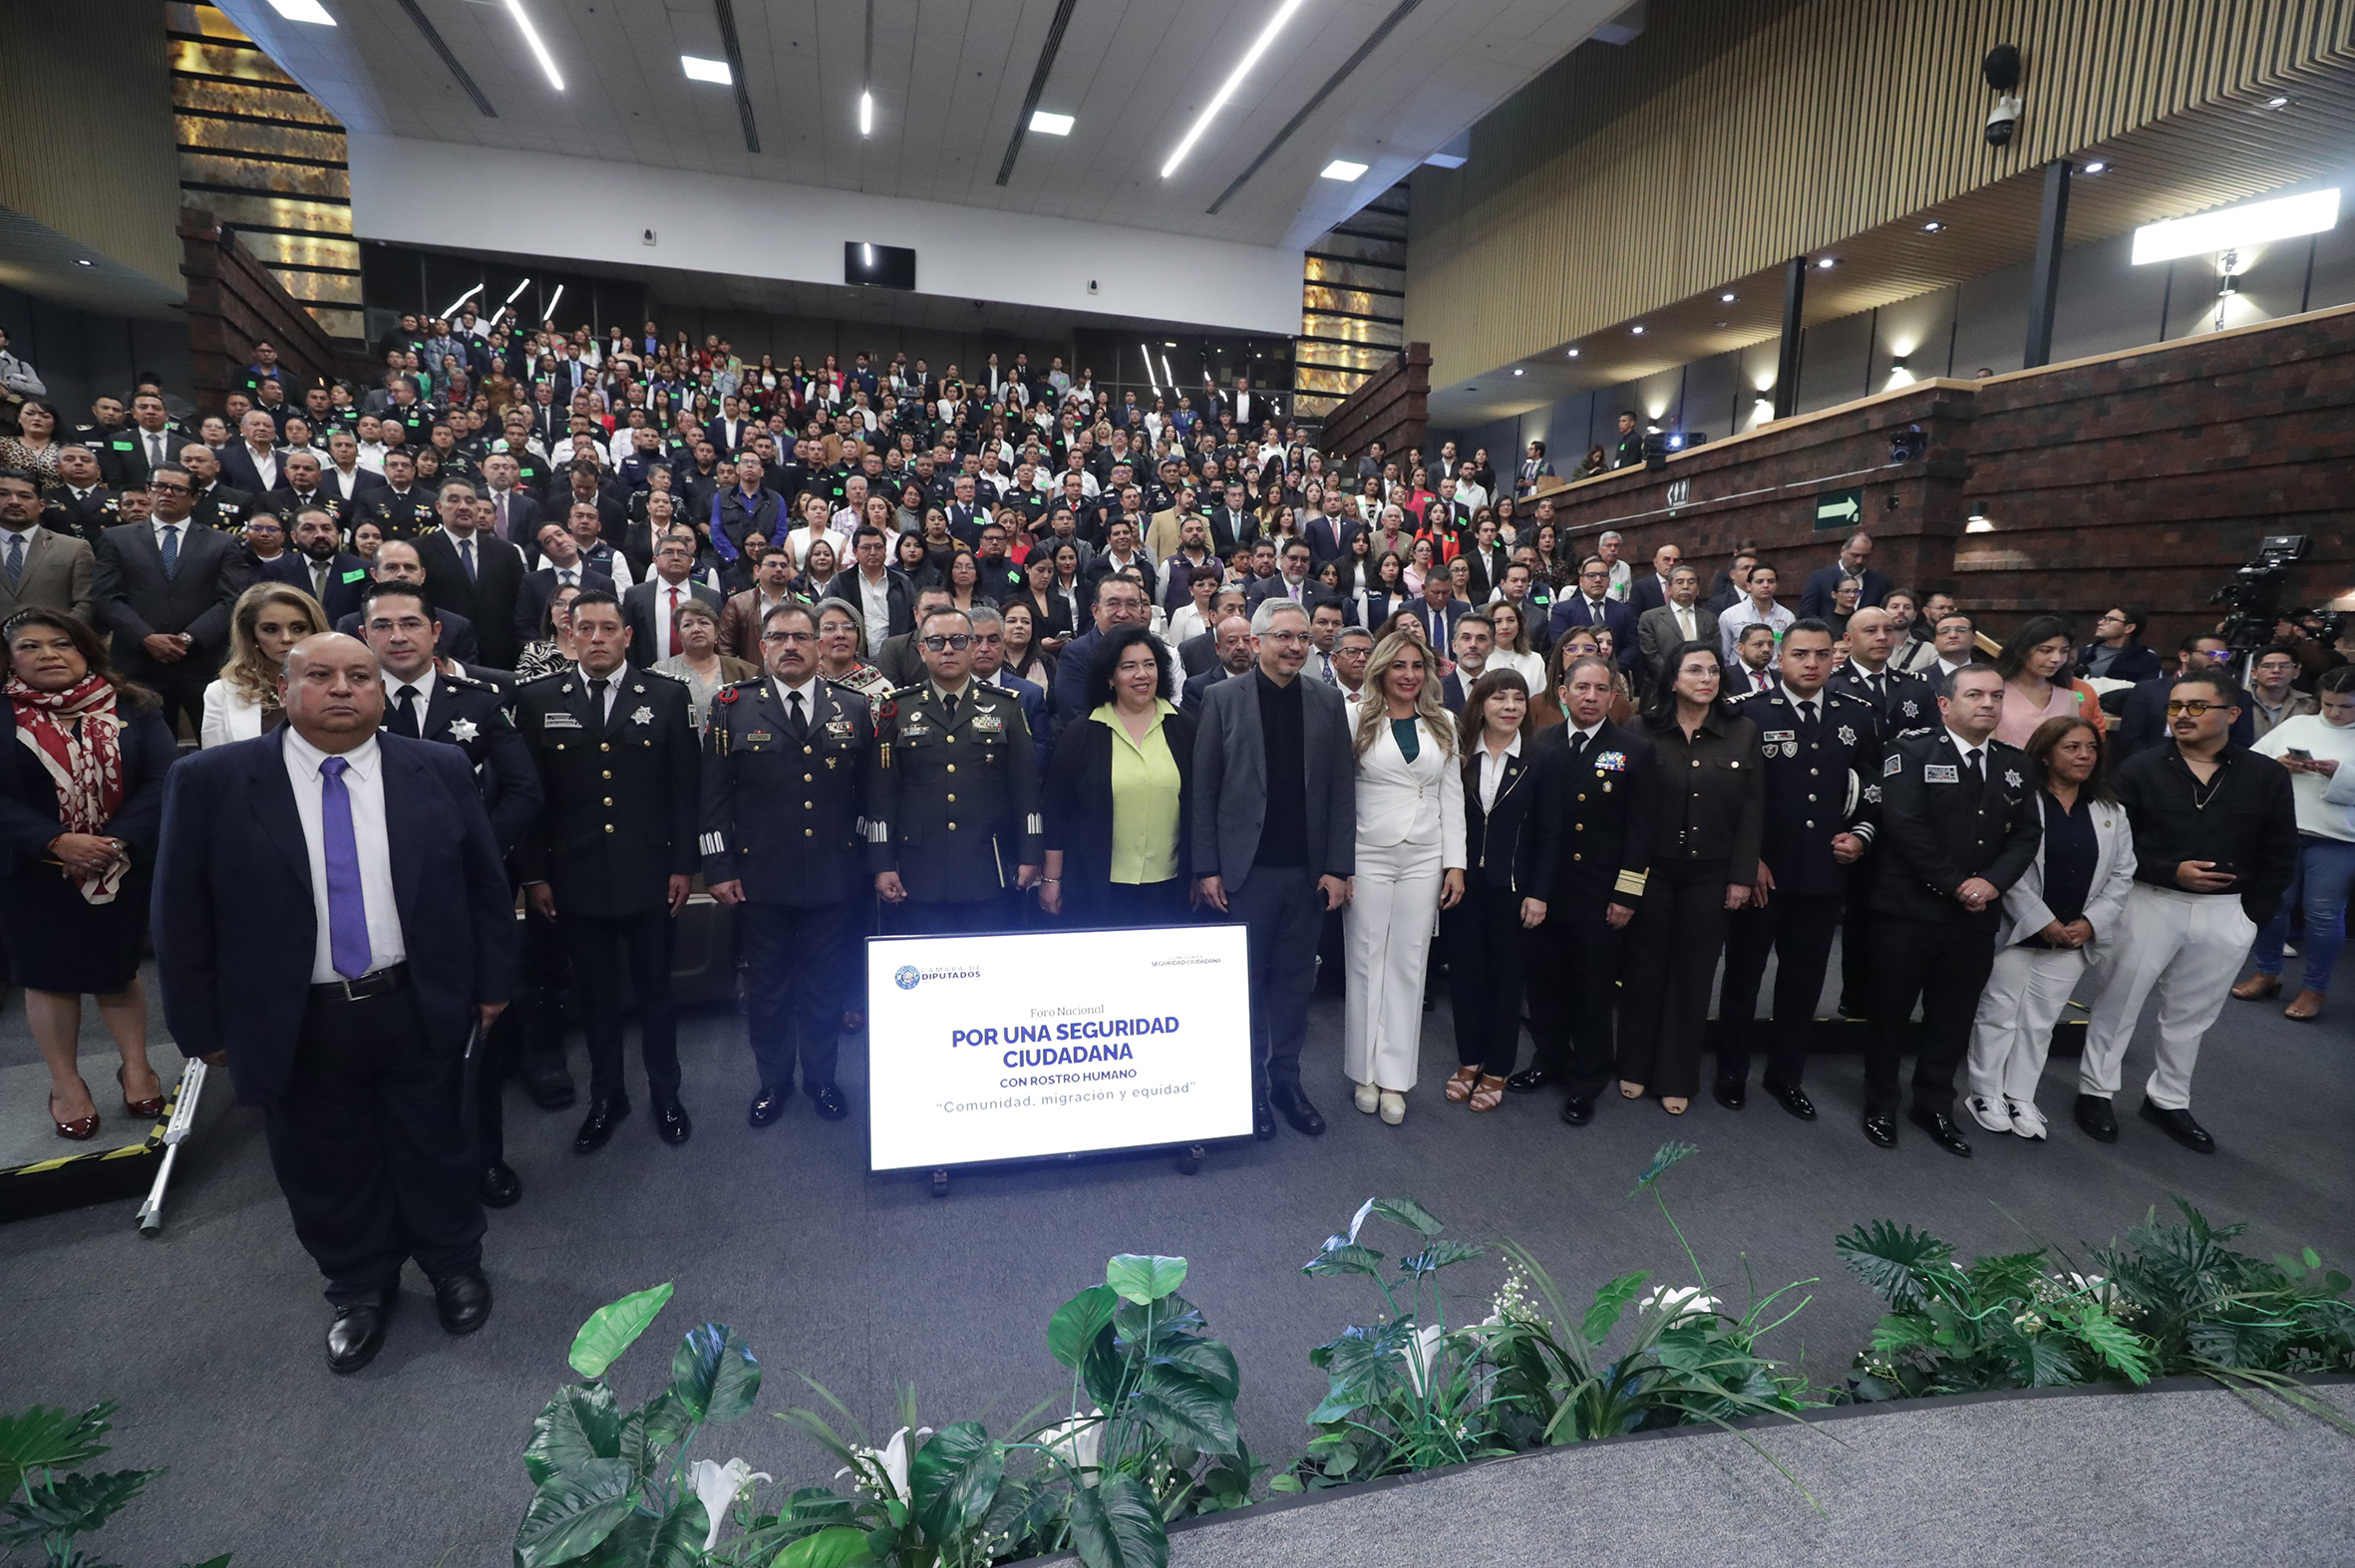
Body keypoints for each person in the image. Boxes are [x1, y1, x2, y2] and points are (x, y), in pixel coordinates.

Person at [153, 631, 514, 1374]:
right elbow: (180, 913)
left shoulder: (438, 767)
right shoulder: (212, 780)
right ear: (285, 689)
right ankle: (359, 1286)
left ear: (382, 692)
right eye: (321, 675)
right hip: (295, 1016)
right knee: (322, 1158)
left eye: (360, 676)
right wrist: (198, 1025)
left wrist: (493, 983)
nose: (343, 688)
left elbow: (484, 883)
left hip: (415, 998)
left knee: (438, 1144)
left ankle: (454, 1264)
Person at [2076, 667, 2297, 1152]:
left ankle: (2168, 1100)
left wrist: (2252, 916)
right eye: (2175, 706)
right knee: (2117, 1003)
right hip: (2148, 901)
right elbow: (2114, 845)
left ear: (2231, 714)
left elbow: (2281, 851)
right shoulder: (2140, 767)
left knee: (2192, 1015)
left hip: (2227, 912)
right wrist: (2167, 871)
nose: (2182, 715)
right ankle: (2095, 1091)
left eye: (2197, 706)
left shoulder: (2266, 775)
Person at [512, 590, 701, 1153]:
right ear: (569, 635)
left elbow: (684, 791)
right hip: (576, 877)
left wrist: (683, 866)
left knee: (656, 995)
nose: (597, 637)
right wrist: (534, 875)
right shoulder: (538, 698)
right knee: (596, 999)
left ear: (627, 636)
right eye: (586, 628)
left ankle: (666, 1094)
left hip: (650, 875)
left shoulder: (666, 695)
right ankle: (607, 1097)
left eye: (608, 628)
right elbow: (530, 798)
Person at [2, 609, 177, 1140]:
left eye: (62, 643)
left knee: (118, 968)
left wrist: (114, 842)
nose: (48, 654)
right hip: (31, 868)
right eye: (30, 646)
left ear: (86, 651)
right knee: (47, 974)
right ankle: (66, 1083)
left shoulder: (134, 704)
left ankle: (137, 1067)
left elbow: (164, 778)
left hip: (118, 863)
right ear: (10, 659)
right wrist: (56, 841)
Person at [703, 601, 872, 1126]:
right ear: (763, 647)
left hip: (833, 875)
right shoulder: (732, 707)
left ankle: (821, 1079)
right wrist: (718, 868)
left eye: (801, 637)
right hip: (761, 877)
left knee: (824, 986)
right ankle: (773, 1082)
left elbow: (871, 796)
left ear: (820, 646)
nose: (791, 646)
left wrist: (872, 864)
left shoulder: (853, 707)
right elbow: (713, 796)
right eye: (779, 637)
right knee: (769, 990)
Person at [1863, 666, 2044, 1156]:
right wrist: (1957, 883)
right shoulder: (1911, 752)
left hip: (1974, 915)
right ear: (1945, 705)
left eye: (1996, 696)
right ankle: (1880, 1103)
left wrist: (1991, 883)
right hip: (1909, 911)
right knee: (1890, 1014)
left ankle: (1933, 1104)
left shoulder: (2015, 763)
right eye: (1975, 694)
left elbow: (2027, 833)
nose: (1988, 703)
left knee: (1952, 1017)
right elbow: (1905, 825)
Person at [1193, 599, 1356, 1138]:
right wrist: (1206, 867)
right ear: (1257, 641)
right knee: (1246, 986)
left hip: (1307, 875)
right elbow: (1204, 789)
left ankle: (1286, 1081)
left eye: (1303, 638)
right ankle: (1250, 1090)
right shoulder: (1221, 698)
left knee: (1292, 986)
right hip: (1245, 874)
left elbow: (1341, 789)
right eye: (1284, 636)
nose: (1294, 647)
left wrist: (1338, 867)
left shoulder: (1326, 700)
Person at [1715, 621, 1880, 1118]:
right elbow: (1728, 796)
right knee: (1743, 978)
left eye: (1822, 654)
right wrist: (1748, 860)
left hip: (1823, 874)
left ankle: (1786, 1076)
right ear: (1780, 659)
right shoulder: (1748, 713)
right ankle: (1731, 1071)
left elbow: (1874, 788)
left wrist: (1861, 836)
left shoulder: (1858, 715)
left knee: (1803, 984)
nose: (1812, 663)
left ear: (1835, 658)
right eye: (1801, 654)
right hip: (1762, 875)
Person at [1963, 716, 2136, 1139]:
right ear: (2044, 754)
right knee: (1999, 1013)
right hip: (2018, 930)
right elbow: (2007, 866)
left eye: (2091, 748)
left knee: (2040, 1021)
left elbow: (2122, 874)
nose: (2084, 756)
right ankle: (1985, 1092)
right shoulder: (2022, 801)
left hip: (2075, 936)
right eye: (2072, 748)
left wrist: (2091, 923)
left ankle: (2020, 1095)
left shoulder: (2111, 811)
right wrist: (2041, 920)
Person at [1616, 642, 1762, 1115]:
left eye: (1714, 671)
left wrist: (1742, 876)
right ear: (1673, 679)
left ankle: (1676, 1075)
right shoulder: (1641, 728)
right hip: (1652, 871)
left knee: (1693, 975)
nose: (1707, 679)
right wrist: (1625, 882)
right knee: (1643, 969)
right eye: (1695, 670)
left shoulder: (1742, 732)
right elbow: (1626, 810)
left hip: (1711, 873)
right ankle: (1634, 1065)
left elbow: (1752, 809)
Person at [1341, 632, 1466, 1124]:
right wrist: (1340, 863)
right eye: (1399, 666)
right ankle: (1364, 1072)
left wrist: (1455, 864)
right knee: (1365, 960)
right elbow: (1338, 793)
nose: (1409, 675)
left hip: (1425, 855)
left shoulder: (1445, 723)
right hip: (1367, 852)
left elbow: (1451, 796)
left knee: (1409, 964)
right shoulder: (1355, 717)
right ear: (1381, 670)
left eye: (1417, 666)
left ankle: (1394, 1078)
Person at [869, 605, 1045, 932]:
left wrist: (1030, 853)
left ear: (973, 647)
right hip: (919, 871)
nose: (948, 649)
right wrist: (882, 863)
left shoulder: (1006, 706)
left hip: (988, 866)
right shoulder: (896, 708)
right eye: (936, 642)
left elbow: (1025, 788)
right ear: (922, 650)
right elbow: (882, 795)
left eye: (959, 641)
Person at [1442, 669, 1552, 1114]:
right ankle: (1469, 1060)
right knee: (1465, 978)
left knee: (1507, 983)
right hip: (1463, 886)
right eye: (1499, 698)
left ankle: (1498, 1068)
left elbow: (1550, 834)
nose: (1510, 707)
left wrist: (1539, 892)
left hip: (1515, 890)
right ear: (1481, 704)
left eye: (1518, 698)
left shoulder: (1541, 759)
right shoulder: (1458, 754)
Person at [1041, 624, 1198, 926]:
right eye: (1129, 666)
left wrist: (1200, 873)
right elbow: (1056, 811)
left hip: (1170, 888)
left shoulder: (1184, 727)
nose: (1142, 674)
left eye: (1149, 665)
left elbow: (1200, 807)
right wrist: (1051, 878)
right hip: (1096, 890)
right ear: (1110, 677)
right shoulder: (1081, 733)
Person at [92, 463, 255, 735]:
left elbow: (232, 599)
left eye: (178, 489)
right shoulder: (116, 539)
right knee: (144, 746)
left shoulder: (222, 543)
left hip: (202, 663)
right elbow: (106, 597)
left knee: (216, 744)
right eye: (160, 486)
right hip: (138, 663)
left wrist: (189, 638)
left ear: (194, 498)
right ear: (148, 491)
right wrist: (146, 637)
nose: (167, 493)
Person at [2240, 665, 2355, 1019]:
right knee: (2272, 905)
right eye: (2328, 704)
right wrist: (2279, 765)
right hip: (2285, 831)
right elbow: (2251, 764)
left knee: (2323, 916)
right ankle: (2267, 972)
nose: (2334, 713)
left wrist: (2339, 773)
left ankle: (2315, 989)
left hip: (2338, 838)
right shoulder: (2297, 725)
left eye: (2346, 706)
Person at [201, 582, 323, 747]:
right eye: (271, 630)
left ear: (315, 631)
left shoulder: (342, 687)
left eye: (298, 628)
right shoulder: (221, 693)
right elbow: (215, 759)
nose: (286, 638)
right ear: (252, 636)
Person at [2113, 635, 2255, 758]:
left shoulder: (2239, 695)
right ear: (2184, 656)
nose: (2218, 660)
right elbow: (2130, 739)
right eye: (2210, 654)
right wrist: (2153, 768)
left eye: (2224, 655)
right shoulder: (2148, 690)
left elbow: (2241, 743)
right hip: (2149, 769)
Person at [0, 465, 94, 622]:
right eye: (3, 494)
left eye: (25, 496)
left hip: (55, 635)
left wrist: (59, 632)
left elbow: (87, 602)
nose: (14, 502)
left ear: (41, 506)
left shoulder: (74, 549)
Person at [653, 597, 757, 732]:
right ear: (679, 636)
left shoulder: (744, 671)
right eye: (687, 625)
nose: (696, 629)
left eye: (703, 623)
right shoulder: (661, 671)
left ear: (717, 631)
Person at [1992, 614, 2097, 748]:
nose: (2057, 659)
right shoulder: (1995, 692)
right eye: (2046, 651)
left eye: (2064, 651)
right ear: (2021, 651)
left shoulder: (2069, 697)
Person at [1635, 564, 1718, 686]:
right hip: (1663, 685)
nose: (1685, 586)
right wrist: (1675, 678)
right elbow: (1650, 655)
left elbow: (1715, 651)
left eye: (1691, 582)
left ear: (1698, 590)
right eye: (1680, 582)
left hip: (1702, 683)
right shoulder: (1651, 618)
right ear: (1669, 589)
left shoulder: (1709, 619)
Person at [1799, 531, 1888, 617]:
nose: (1859, 561)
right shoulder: (1820, 577)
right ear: (1843, 551)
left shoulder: (1879, 582)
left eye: (1865, 557)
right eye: (1855, 555)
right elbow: (1806, 613)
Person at [2244, 644, 2317, 739]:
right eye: (2267, 666)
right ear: (2254, 673)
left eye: (2285, 666)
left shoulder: (2311, 706)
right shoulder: (2235, 701)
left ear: (2296, 672)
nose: (2276, 670)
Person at [2077, 606, 2161, 683]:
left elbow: (2147, 690)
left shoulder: (2147, 659)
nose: (2100, 622)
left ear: (2129, 628)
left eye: (2110, 619)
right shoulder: (2084, 652)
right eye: (2103, 618)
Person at [1487, 601, 1544, 692]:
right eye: (1497, 621)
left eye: (1511, 620)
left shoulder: (1535, 660)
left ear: (1519, 625)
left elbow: (1541, 697)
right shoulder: (1481, 660)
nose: (1505, 627)